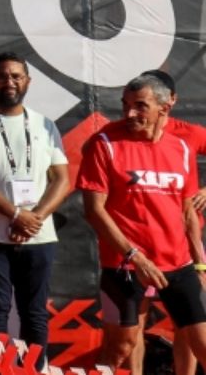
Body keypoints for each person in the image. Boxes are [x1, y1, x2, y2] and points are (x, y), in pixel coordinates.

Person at [0, 52, 71, 370]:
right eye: (3, 76)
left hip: (38, 236)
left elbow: (62, 180)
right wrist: (16, 215)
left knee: (35, 312)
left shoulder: (46, 125)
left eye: (16, 76)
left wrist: (34, 219)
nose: (10, 82)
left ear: (28, 81)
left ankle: (32, 370)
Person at [82, 73, 206, 371]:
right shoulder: (105, 143)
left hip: (178, 264)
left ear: (165, 106)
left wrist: (200, 264)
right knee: (120, 347)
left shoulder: (181, 147)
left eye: (140, 106)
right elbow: (94, 210)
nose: (129, 113)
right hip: (125, 265)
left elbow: (187, 212)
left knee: (202, 343)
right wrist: (135, 257)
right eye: (125, 105)